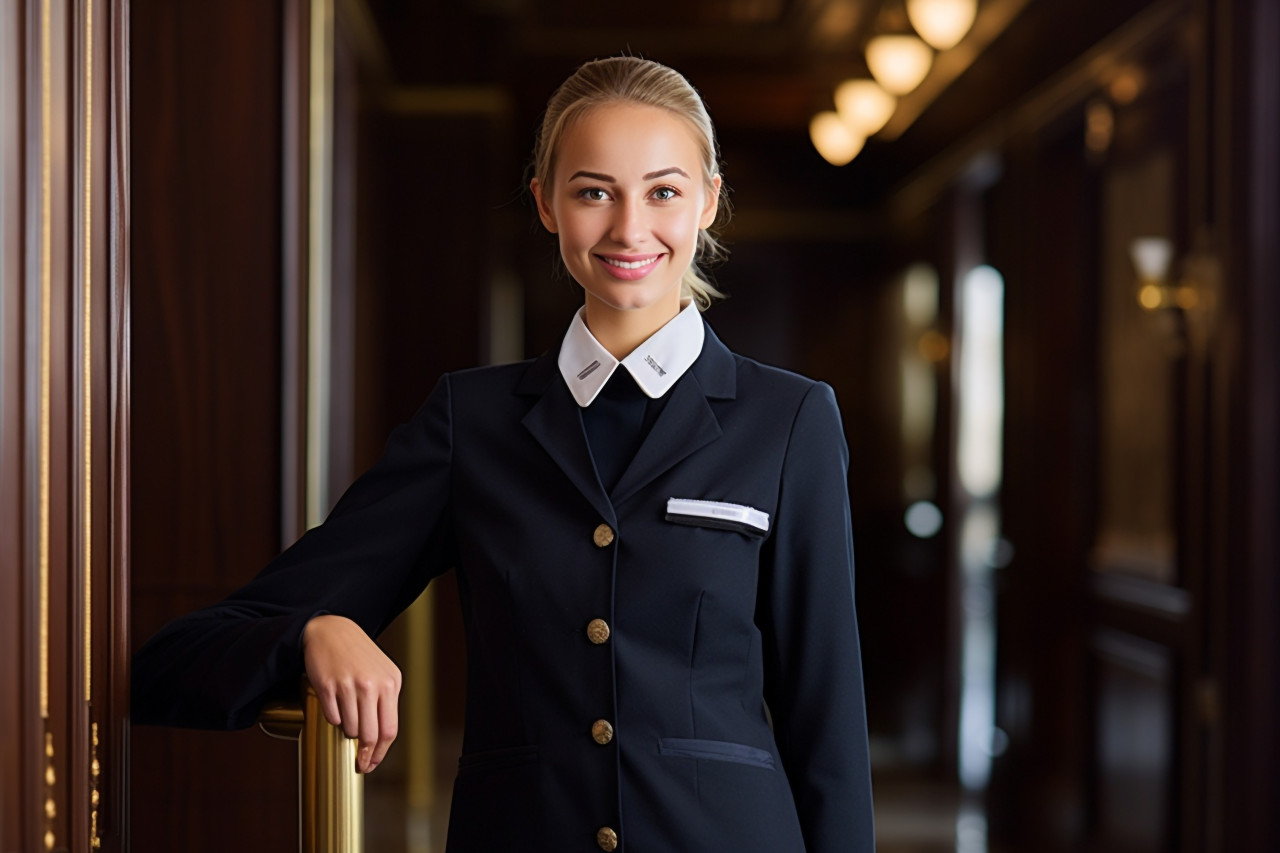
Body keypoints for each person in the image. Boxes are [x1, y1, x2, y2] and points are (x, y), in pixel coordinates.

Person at [133, 56, 874, 852]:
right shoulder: (472, 423)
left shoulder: (790, 418)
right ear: (547, 204)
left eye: (663, 191)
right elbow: (174, 663)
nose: (629, 228)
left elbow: (825, 722)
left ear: (708, 202)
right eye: (594, 191)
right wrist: (315, 629)